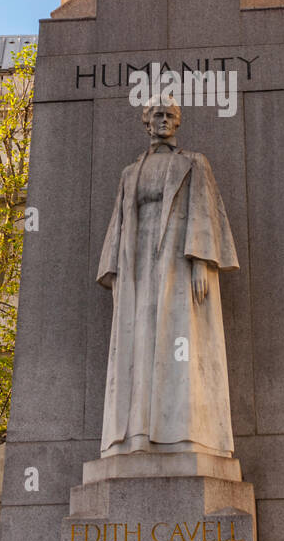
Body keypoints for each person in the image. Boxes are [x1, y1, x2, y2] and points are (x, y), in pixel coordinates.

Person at [97, 101, 238, 457]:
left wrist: (202, 263)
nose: (163, 121)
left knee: (181, 344)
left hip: (178, 261)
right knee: (139, 346)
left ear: (178, 123)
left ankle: (185, 435)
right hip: (137, 267)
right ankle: (136, 437)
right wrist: (115, 272)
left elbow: (205, 213)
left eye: (170, 116)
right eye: (157, 115)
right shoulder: (130, 172)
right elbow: (120, 222)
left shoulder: (193, 162)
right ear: (147, 123)